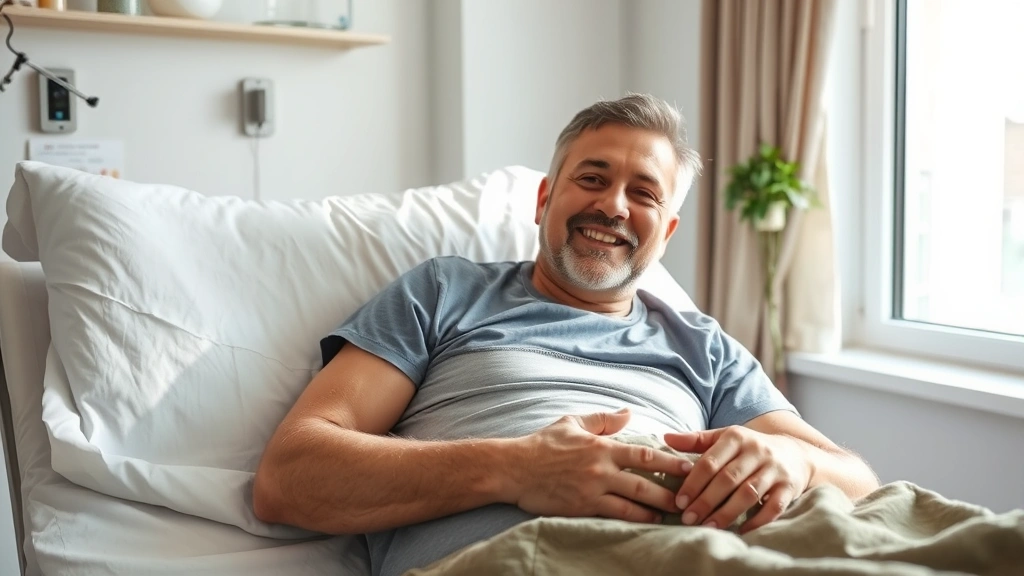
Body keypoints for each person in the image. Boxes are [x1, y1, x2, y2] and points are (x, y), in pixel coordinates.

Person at [252, 94, 880, 576]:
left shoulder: (704, 347)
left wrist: (794, 460)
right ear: (544, 200)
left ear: (666, 232)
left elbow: (861, 486)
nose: (613, 206)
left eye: (643, 193)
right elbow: (289, 477)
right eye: (592, 178)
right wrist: (517, 469)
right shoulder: (445, 293)